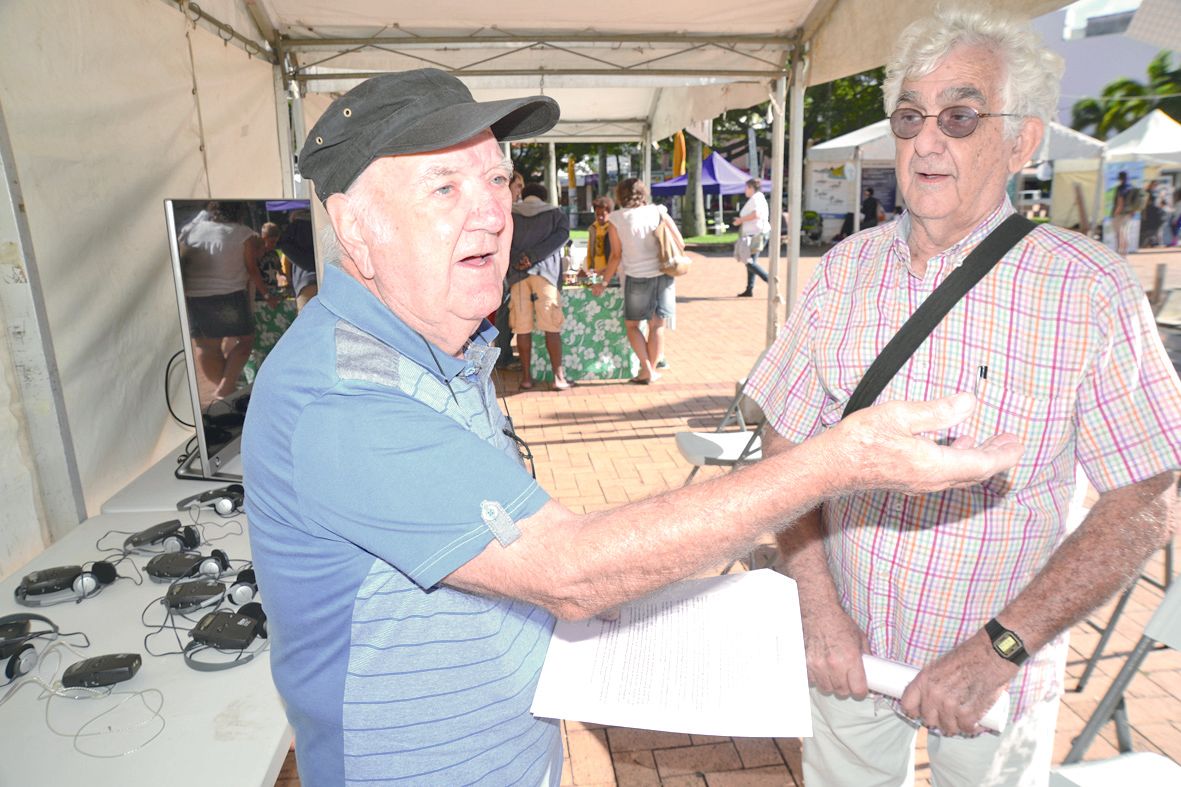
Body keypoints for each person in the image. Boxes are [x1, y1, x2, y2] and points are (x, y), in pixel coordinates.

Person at [241, 67, 1025, 787]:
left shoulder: (448, 344)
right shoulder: (343, 400)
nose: (490, 210)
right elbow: (564, 566)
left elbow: (522, 540)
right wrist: (835, 460)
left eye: (494, 178)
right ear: (356, 229)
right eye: (443, 188)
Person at [746, 10, 1181, 786]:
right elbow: (784, 445)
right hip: (850, 643)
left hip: (1001, 669)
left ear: (1021, 142)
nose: (926, 140)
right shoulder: (844, 270)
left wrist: (999, 648)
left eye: (959, 114)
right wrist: (817, 606)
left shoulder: (1089, 289)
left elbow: (1145, 494)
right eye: (909, 116)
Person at [178, 201, 276, 404]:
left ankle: (226, 392)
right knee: (246, 341)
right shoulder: (242, 233)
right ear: (239, 212)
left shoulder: (191, 230)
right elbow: (251, 269)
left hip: (194, 297)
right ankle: (226, 388)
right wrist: (267, 294)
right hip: (229, 295)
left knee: (206, 347)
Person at [591, 178, 678, 384]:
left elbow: (616, 256)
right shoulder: (658, 211)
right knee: (657, 325)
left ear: (620, 195)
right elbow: (678, 241)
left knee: (632, 326)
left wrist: (603, 282)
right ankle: (652, 370)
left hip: (636, 276)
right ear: (643, 193)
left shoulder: (617, 219)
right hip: (663, 274)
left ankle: (646, 369)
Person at [508, 182, 571, 390]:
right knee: (551, 326)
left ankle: (526, 378)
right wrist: (534, 257)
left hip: (518, 275)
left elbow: (502, 240)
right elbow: (562, 237)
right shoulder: (555, 213)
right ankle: (558, 377)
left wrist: (519, 258)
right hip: (546, 275)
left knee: (522, 328)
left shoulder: (511, 213)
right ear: (543, 197)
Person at [732, 177, 771, 297]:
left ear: (751, 188)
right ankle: (749, 289)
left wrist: (740, 220)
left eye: (746, 188)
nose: (745, 190)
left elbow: (756, 214)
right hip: (756, 233)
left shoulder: (756, 198)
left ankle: (769, 280)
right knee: (751, 261)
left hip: (756, 234)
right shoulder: (758, 198)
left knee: (748, 261)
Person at [584, 195, 614, 277]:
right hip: (596, 271)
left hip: (611, 271)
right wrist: (590, 267)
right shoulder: (593, 228)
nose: (600, 217)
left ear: (610, 213)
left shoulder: (613, 229)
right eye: (597, 214)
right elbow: (590, 250)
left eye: (603, 215)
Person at [1112, 170, 1132, 255]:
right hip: (1128, 214)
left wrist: (1115, 213)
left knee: (1119, 234)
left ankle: (1119, 252)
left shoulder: (1120, 188)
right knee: (1126, 233)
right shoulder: (1131, 187)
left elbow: (1120, 202)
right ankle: (1125, 252)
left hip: (1120, 214)